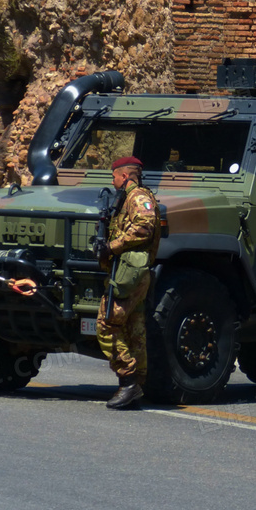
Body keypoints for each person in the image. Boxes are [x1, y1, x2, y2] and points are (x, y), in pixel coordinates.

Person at [97, 156, 160, 410]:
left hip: (131, 271)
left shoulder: (138, 197)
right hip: (129, 269)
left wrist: (112, 246)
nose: (113, 182)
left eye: (114, 176)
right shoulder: (128, 198)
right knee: (135, 327)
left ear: (124, 176)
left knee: (106, 322)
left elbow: (145, 226)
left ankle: (128, 380)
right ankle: (138, 386)